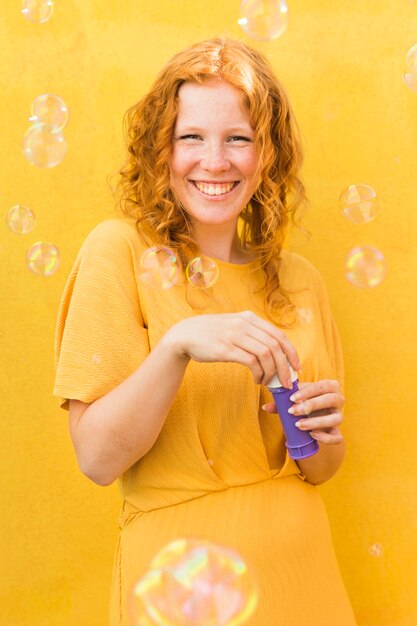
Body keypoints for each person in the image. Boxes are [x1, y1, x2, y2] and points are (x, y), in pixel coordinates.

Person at [53, 38, 357, 625]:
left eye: (238, 138)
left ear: (266, 154)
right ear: (160, 149)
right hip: (181, 590)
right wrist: (177, 346)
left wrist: (326, 434)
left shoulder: (298, 280)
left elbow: (318, 466)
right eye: (191, 137)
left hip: (304, 580)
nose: (214, 161)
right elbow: (96, 459)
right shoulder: (119, 250)